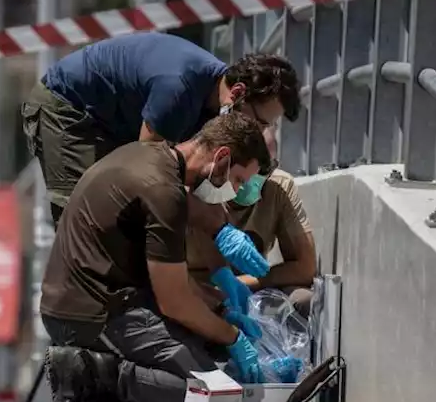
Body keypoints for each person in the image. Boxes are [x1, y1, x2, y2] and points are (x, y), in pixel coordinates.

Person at [38, 111, 272, 402]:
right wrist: (232, 336)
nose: (235, 192)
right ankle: (95, 373)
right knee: (217, 397)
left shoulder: (151, 155)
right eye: (238, 180)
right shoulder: (164, 192)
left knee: (209, 348)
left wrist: (220, 312)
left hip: (101, 297)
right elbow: (174, 301)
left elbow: (170, 277)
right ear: (222, 157)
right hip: (90, 314)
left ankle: (118, 392)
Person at [21, 32, 301, 279]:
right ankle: (83, 320)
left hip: (115, 121)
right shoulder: (178, 91)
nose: (259, 133)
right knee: (87, 220)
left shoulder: (212, 105)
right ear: (238, 93)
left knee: (128, 218)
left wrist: (220, 272)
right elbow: (150, 178)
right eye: (259, 122)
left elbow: (190, 186)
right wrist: (218, 229)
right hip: (70, 110)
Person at [188, 135, 318, 318]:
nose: (253, 177)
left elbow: (305, 267)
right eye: (243, 173)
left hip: (253, 287)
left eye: (264, 168)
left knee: (303, 300)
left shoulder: (279, 188)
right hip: (197, 290)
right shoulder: (199, 187)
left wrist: (242, 283)